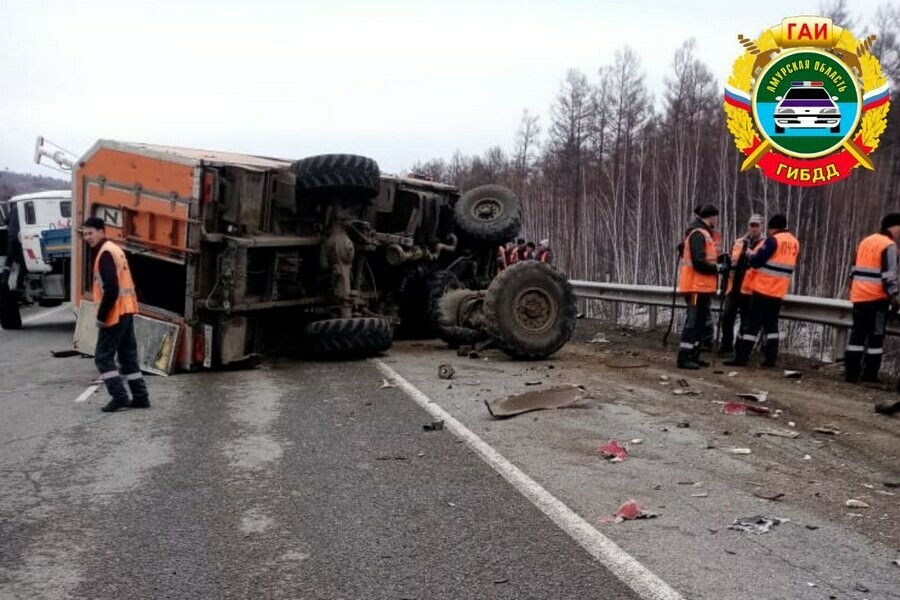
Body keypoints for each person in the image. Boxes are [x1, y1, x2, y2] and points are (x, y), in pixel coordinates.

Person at [82, 217, 150, 412]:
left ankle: (119, 396)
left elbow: (111, 288)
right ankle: (140, 397)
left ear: (102, 231)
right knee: (128, 358)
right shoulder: (115, 249)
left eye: (90, 233)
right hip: (127, 310)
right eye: (85, 234)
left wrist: (101, 317)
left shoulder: (104, 254)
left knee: (102, 358)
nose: (87, 237)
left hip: (115, 313)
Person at [724, 214, 800, 367]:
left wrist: (751, 255)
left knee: (752, 325)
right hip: (779, 290)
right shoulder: (794, 243)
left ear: (772, 228)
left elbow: (758, 261)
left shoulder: (773, 240)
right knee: (771, 326)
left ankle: (742, 357)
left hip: (763, 288)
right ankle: (771, 358)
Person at [845, 213, 900, 383]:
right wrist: (895, 297)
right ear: (893, 227)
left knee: (857, 335)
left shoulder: (865, 241)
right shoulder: (889, 245)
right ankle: (870, 375)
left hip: (859, 296)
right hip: (877, 299)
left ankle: (851, 373)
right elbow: (889, 276)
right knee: (875, 337)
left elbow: (853, 270)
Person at [677, 204, 726, 369]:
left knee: (699, 323)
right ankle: (684, 357)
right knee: (692, 322)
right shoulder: (699, 234)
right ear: (711, 217)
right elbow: (699, 262)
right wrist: (718, 268)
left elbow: (705, 259)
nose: (717, 220)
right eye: (716, 217)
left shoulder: (704, 234)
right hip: (695, 287)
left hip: (702, 287)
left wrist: (718, 262)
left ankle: (694, 354)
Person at [717, 214, 765, 355]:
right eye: (752, 225)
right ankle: (726, 344)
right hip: (734, 287)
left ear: (761, 226)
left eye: (757, 225)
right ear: (748, 226)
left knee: (746, 321)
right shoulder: (738, 242)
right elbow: (731, 261)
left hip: (750, 289)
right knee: (727, 317)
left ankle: (740, 348)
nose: (754, 228)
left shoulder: (764, 244)